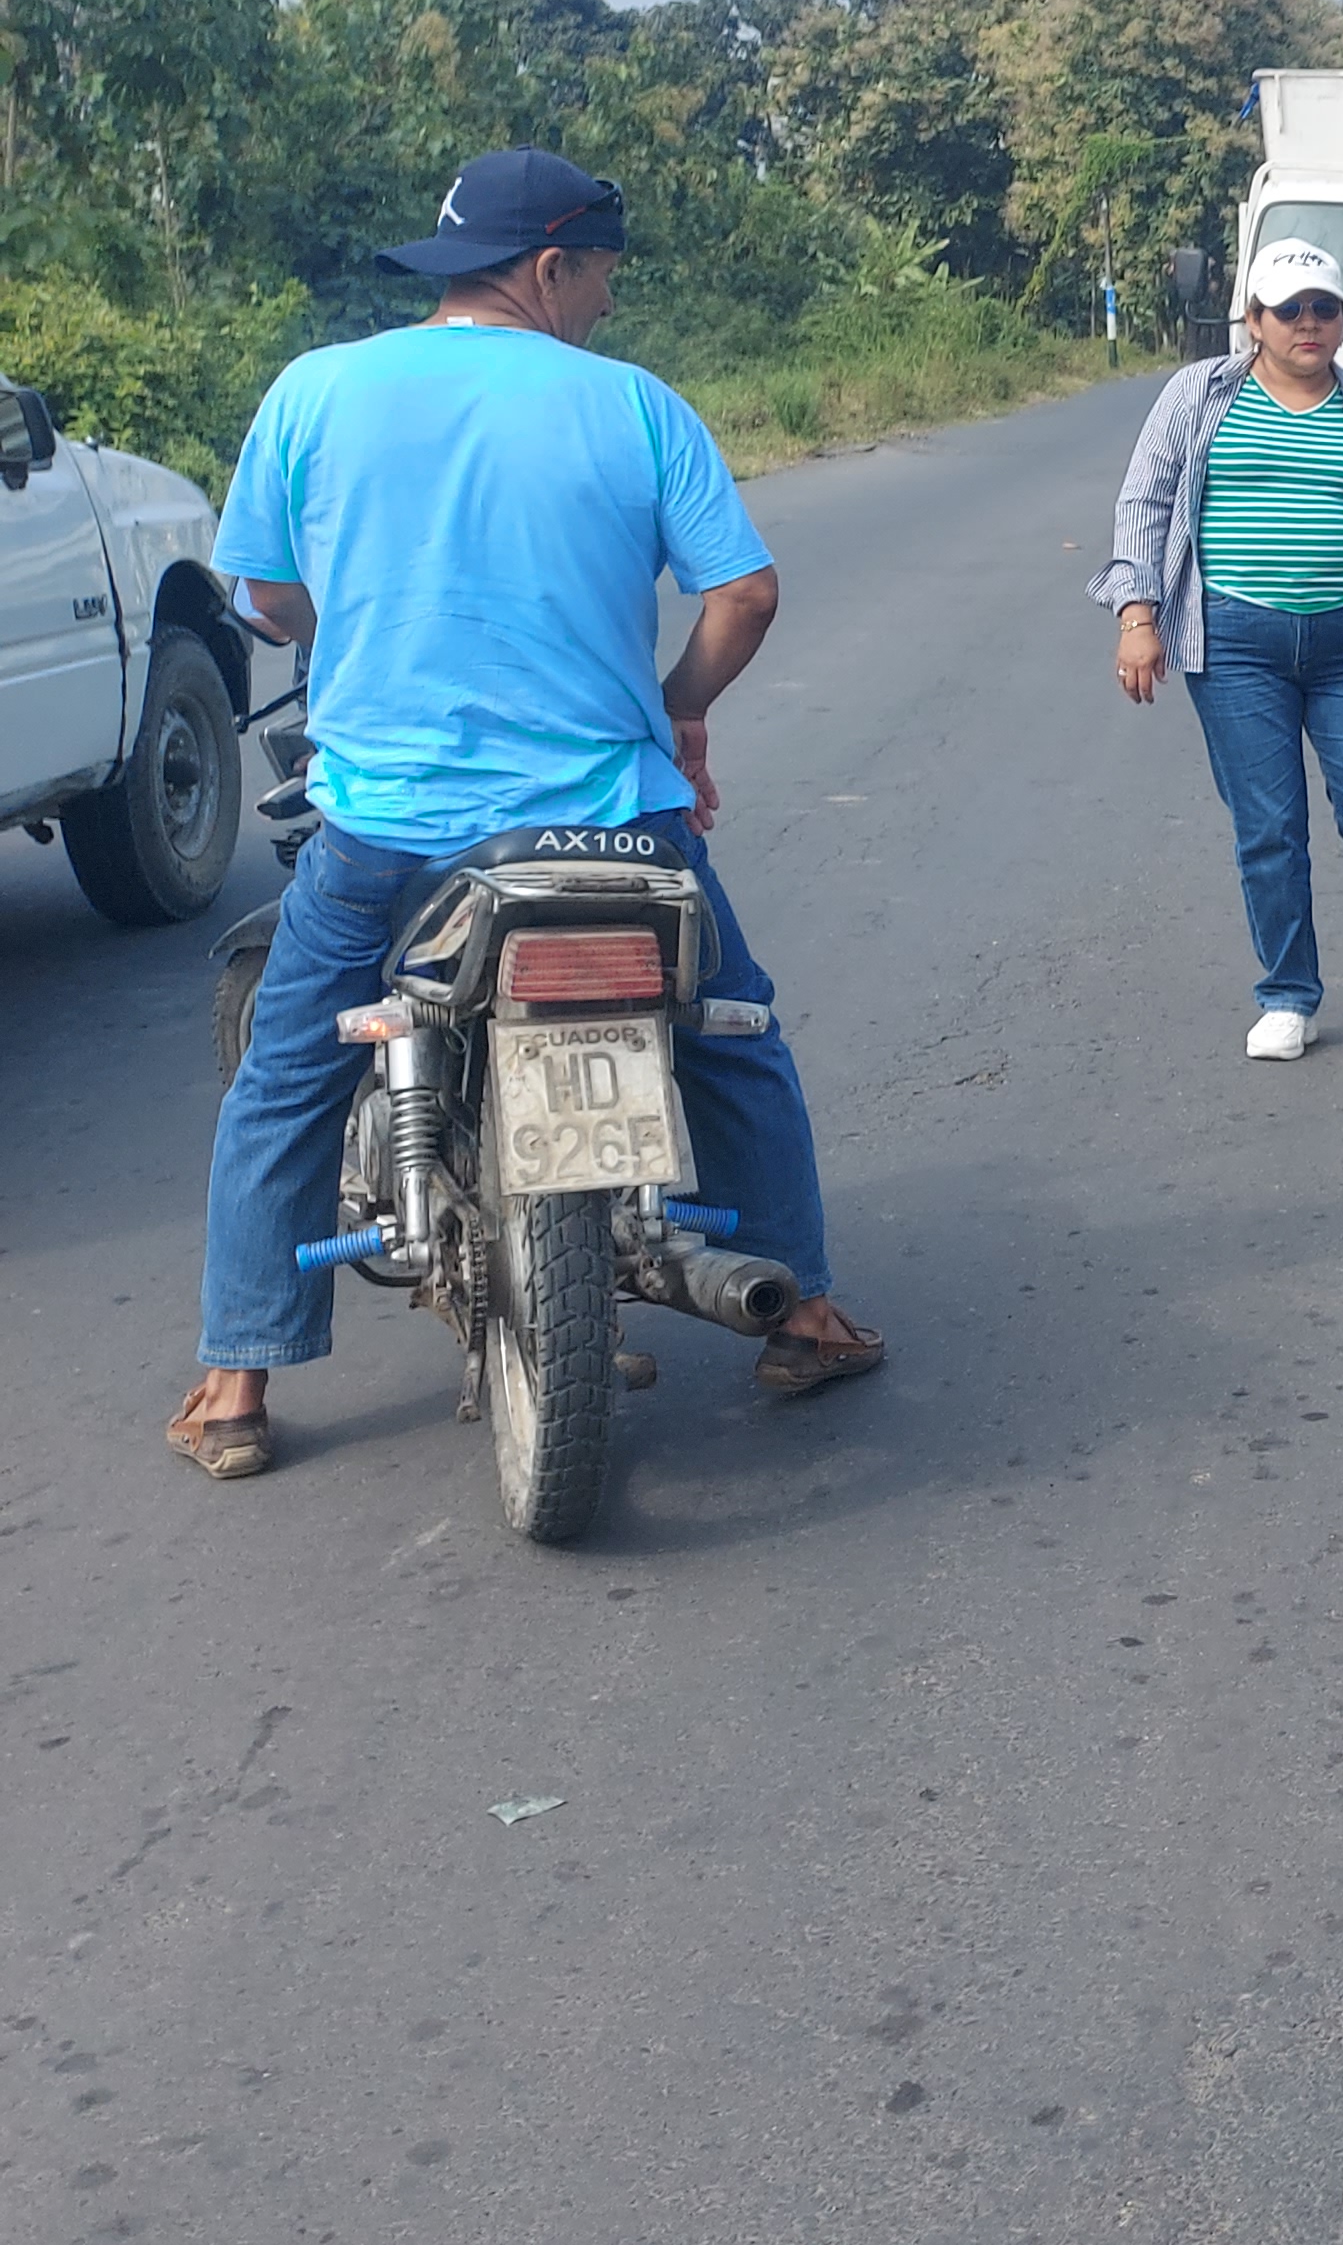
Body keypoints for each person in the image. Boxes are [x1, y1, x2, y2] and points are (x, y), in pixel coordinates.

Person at [178, 148, 879, 1480]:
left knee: (288, 1072)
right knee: (732, 1034)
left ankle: (234, 1387)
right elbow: (745, 595)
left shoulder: (316, 389)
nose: (608, 302)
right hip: (612, 828)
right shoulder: (635, 406)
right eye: (602, 274)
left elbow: (262, 592)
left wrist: (357, 641)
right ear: (550, 267)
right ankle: (807, 1313)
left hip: (391, 830)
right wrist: (677, 707)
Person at [1096, 236, 1343, 1060]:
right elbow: (1146, 503)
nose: (1307, 323)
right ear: (1253, 320)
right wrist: (1137, 617)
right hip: (1235, 645)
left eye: (1324, 308)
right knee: (1269, 828)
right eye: (1288, 309)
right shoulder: (1198, 397)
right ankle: (1289, 993)